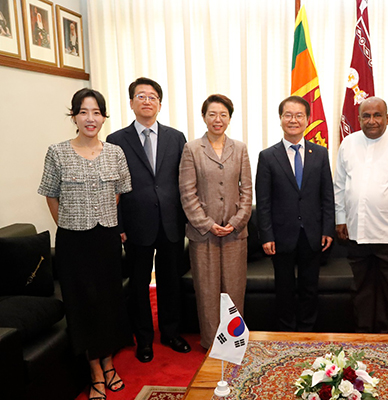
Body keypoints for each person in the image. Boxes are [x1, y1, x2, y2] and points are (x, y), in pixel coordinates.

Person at [38, 88, 131, 400]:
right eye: (83, 112)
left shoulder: (115, 152)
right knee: (82, 304)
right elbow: (51, 195)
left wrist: (102, 217)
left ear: (103, 117)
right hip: (73, 241)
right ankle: (94, 371)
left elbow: (118, 193)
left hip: (106, 238)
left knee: (108, 301)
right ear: (74, 116)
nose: (90, 118)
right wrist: (69, 223)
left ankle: (109, 362)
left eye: (96, 112)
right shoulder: (57, 152)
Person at [106, 77, 190, 363]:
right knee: (139, 284)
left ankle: (170, 333)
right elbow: (112, 187)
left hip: (171, 222)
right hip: (135, 224)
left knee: (170, 281)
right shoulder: (116, 140)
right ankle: (143, 339)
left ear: (160, 104)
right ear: (131, 103)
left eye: (152, 96)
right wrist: (118, 225)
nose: (147, 101)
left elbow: (184, 180)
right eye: (140, 96)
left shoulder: (176, 138)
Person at [334, 96, 388, 333]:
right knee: (360, 290)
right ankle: (362, 339)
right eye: (366, 116)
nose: (372, 121)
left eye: (377, 115)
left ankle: (386, 340)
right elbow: (339, 186)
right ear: (359, 118)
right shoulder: (348, 144)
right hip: (357, 231)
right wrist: (340, 219)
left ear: (387, 118)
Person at [255, 96, 335, 332]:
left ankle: (308, 333)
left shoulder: (320, 153)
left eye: (299, 115)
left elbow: (327, 196)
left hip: (312, 233)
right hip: (281, 235)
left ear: (307, 119)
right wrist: (266, 235)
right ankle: (286, 333)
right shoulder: (267, 156)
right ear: (280, 119)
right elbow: (264, 201)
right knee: (284, 289)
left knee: (310, 288)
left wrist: (328, 229)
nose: (293, 120)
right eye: (288, 115)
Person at [179, 94, 252, 349]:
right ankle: (211, 344)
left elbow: (247, 191)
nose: (217, 119)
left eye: (223, 114)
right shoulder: (191, 149)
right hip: (203, 234)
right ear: (204, 117)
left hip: (235, 233)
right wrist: (207, 224)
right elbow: (187, 193)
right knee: (208, 292)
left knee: (234, 290)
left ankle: (234, 342)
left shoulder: (240, 148)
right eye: (212, 114)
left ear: (229, 118)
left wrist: (237, 221)